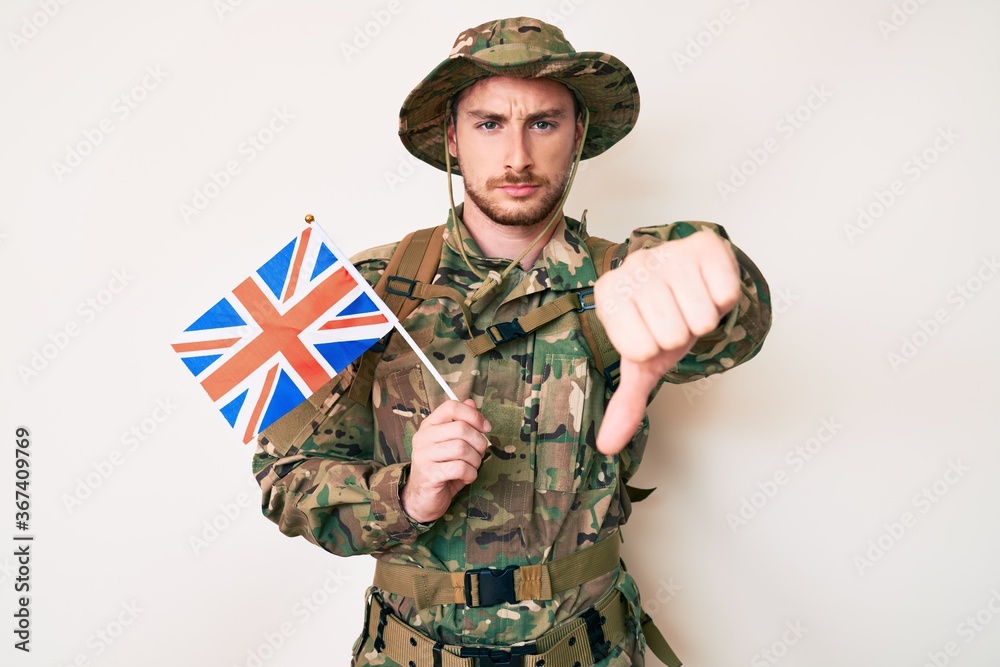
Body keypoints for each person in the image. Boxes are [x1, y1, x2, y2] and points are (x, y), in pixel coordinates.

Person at [253, 16, 771, 667]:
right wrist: (408, 492)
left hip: (588, 649)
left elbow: (732, 326)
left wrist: (715, 268)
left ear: (578, 131)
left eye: (544, 123)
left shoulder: (623, 283)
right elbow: (285, 482)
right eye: (489, 123)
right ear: (451, 136)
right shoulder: (364, 287)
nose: (517, 157)